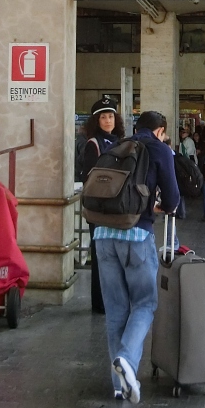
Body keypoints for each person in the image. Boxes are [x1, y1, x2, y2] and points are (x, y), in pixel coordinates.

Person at [94, 110, 179, 403]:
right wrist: (160, 206)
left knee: (116, 309)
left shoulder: (117, 145)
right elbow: (173, 199)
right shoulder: (159, 149)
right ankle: (127, 360)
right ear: (160, 131)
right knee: (144, 303)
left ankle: (119, 386)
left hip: (103, 235)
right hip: (136, 234)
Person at [80, 96, 123, 315]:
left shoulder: (119, 141)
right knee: (100, 255)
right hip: (98, 207)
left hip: (115, 206)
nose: (108, 121)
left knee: (112, 254)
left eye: (111, 116)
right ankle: (99, 302)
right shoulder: (93, 144)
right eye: (103, 117)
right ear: (97, 121)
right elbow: (89, 177)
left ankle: (112, 298)